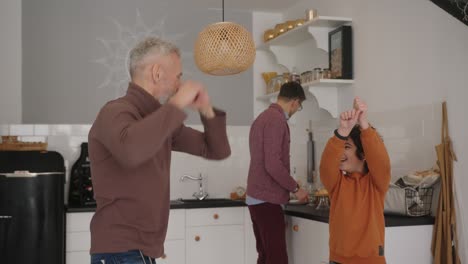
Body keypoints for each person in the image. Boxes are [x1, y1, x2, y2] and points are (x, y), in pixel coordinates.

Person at [88, 37, 231, 264]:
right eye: (178, 76)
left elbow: (216, 150)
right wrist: (177, 103)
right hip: (121, 251)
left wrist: (206, 109)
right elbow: (132, 150)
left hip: (139, 252)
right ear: (157, 73)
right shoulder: (114, 112)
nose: (179, 83)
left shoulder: (158, 122)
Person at [320, 97, 391, 264]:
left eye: (347, 147)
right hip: (338, 260)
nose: (340, 153)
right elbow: (326, 166)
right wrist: (343, 132)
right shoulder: (337, 183)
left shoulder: (377, 184)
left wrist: (364, 123)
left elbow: (381, 160)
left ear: (364, 154)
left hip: (371, 260)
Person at [246, 82, 309, 264]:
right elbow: (272, 164)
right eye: (299, 106)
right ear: (295, 102)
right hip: (267, 199)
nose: (297, 110)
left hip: (257, 197)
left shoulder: (262, 118)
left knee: (266, 256)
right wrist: (296, 188)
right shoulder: (276, 120)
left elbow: (267, 161)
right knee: (277, 259)